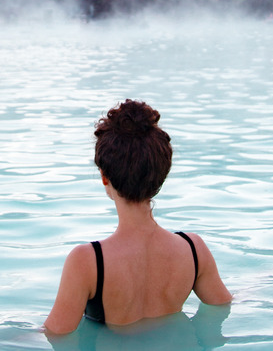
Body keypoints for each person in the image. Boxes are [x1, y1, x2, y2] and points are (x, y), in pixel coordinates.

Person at [44, 100, 232, 335]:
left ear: (104, 177)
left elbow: (55, 335)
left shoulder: (87, 262)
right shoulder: (193, 250)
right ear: (162, 174)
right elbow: (223, 305)